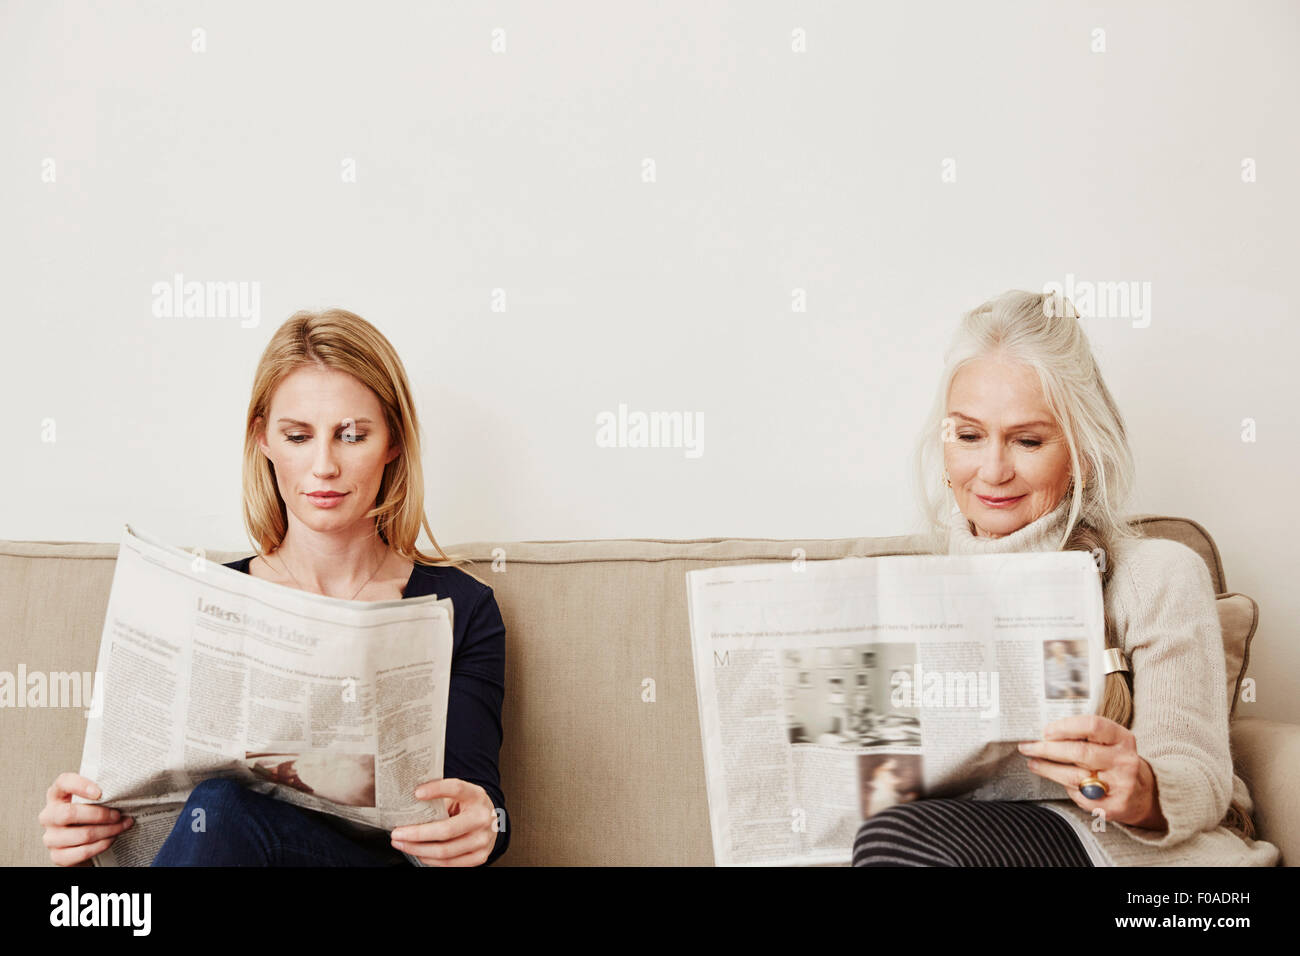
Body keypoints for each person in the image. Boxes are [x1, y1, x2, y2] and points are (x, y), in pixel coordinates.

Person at [39, 308, 510, 867]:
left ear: (392, 443)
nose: (324, 466)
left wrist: (486, 824)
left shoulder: (462, 606)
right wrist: (82, 831)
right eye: (298, 436)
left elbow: (488, 809)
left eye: (352, 435)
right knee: (215, 808)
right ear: (263, 439)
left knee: (219, 808)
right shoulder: (203, 599)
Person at [853, 289, 1279, 867]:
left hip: (1157, 872)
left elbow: (1199, 776)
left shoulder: (1158, 573)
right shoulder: (912, 590)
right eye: (969, 436)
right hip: (956, 847)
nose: (994, 470)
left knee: (897, 838)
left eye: (1028, 441)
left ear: (1080, 448)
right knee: (892, 833)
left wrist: (1144, 789)